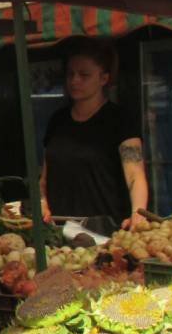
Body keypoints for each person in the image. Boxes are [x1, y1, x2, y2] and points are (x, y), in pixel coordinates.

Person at [41, 39, 149, 230]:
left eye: (84, 75)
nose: (75, 80)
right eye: (70, 74)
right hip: (58, 230)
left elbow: (135, 173)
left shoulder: (120, 120)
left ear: (104, 78)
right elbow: (44, 175)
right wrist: (41, 202)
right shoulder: (57, 120)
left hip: (106, 231)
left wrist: (137, 213)